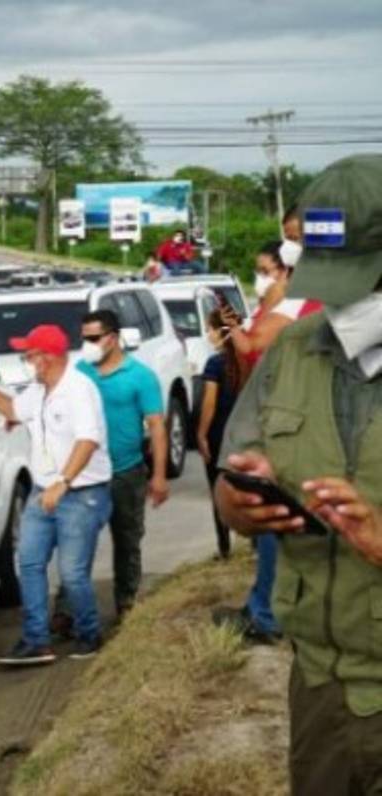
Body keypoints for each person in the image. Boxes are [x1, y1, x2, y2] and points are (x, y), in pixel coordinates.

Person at [213, 153, 382, 795]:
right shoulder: (292, 349)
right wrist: (241, 503)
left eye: (360, 280)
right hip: (322, 691)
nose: (339, 303)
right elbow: (233, 482)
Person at [0, 324, 113, 664]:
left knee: (72, 572)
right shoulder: (38, 391)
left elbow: (88, 439)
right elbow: (12, 411)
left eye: (30, 355)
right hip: (43, 490)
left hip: (81, 493)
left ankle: (89, 634)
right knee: (29, 563)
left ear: (46, 358)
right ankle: (36, 639)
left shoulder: (79, 389)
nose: (27, 361)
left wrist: (63, 481)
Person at [213, 240, 323, 642]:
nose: (259, 278)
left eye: (264, 270)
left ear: (286, 271)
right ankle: (265, 605)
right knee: (272, 523)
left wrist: (229, 325)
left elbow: (250, 346)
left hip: (285, 422)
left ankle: (267, 613)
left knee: (278, 520)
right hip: (269, 417)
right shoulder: (274, 309)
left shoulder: (294, 310)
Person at [71, 309, 169, 619]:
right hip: (85, 474)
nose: (87, 344)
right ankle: (67, 609)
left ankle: (126, 604)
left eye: (93, 338)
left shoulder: (140, 376)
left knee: (127, 541)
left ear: (112, 339)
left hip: (126, 471)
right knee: (76, 543)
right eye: (83, 338)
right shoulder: (80, 372)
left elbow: (156, 426)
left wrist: (160, 476)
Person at [196, 308, 246, 559]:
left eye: (209, 329)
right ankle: (255, 542)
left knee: (219, 489)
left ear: (219, 331)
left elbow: (209, 403)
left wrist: (202, 434)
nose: (208, 335)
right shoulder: (249, 358)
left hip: (220, 434)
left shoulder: (216, 363)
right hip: (247, 432)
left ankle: (224, 546)